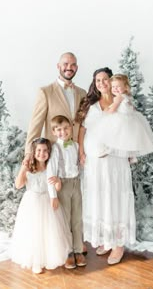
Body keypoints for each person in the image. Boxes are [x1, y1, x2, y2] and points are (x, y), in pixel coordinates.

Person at [75, 67, 136, 265]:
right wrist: (82, 152)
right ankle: (107, 240)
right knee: (100, 197)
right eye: (97, 80)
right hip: (94, 162)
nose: (101, 83)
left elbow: (130, 129)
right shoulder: (92, 106)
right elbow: (83, 130)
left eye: (104, 79)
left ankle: (118, 245)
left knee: (115, 196)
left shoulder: (123, 103)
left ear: (112, 81)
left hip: (115, 161)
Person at [11, 137, 71, 274]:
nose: (42, 153)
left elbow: (57, 187)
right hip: (31, 203)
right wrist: (23, 169)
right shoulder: (29, 169)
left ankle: (48, 257)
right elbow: (18, 185)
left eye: (45, 151)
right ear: (33, 152)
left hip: (47, 201)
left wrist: (57, 181)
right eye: (38, 150)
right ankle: (35, 261)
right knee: (33, 232)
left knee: (48, 231)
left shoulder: (51, 168)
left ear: (49, 153)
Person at [23, 52, 86, 164]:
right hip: (53, 153)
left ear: (76, 68)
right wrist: (29, 153)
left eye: (73, 65)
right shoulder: (46, 92)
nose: (69, 68)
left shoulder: (82, 93)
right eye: (65, 64)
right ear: (58, 66)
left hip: (75, 154)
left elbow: (84, 124)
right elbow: (35, 125)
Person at [47, 115, 87, 269]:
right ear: (54, 132)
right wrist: (53, 195)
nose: (63, 132)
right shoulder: (55, 148)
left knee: (77, 219)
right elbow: (51, 174)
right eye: (59, 129)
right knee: (65, 220)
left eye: (66, 128)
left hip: (76, 184)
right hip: (62, 185)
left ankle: (78, 251)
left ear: (71, 127)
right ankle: (68, 252)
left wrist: (82, 184)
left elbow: (80, 166)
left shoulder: (76, 145)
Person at [97, 74, 153, 159]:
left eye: (118, 86)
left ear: (125, 87)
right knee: (128, 139)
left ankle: (108, 149)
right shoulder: (127, 97)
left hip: (121, 119)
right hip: (130, 119)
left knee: (111, 133)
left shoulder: (118, 98)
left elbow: (112, 110)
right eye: (113, 87)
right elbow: (132, 108)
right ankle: (132, 156)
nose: (115, 89)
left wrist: (106, 111)